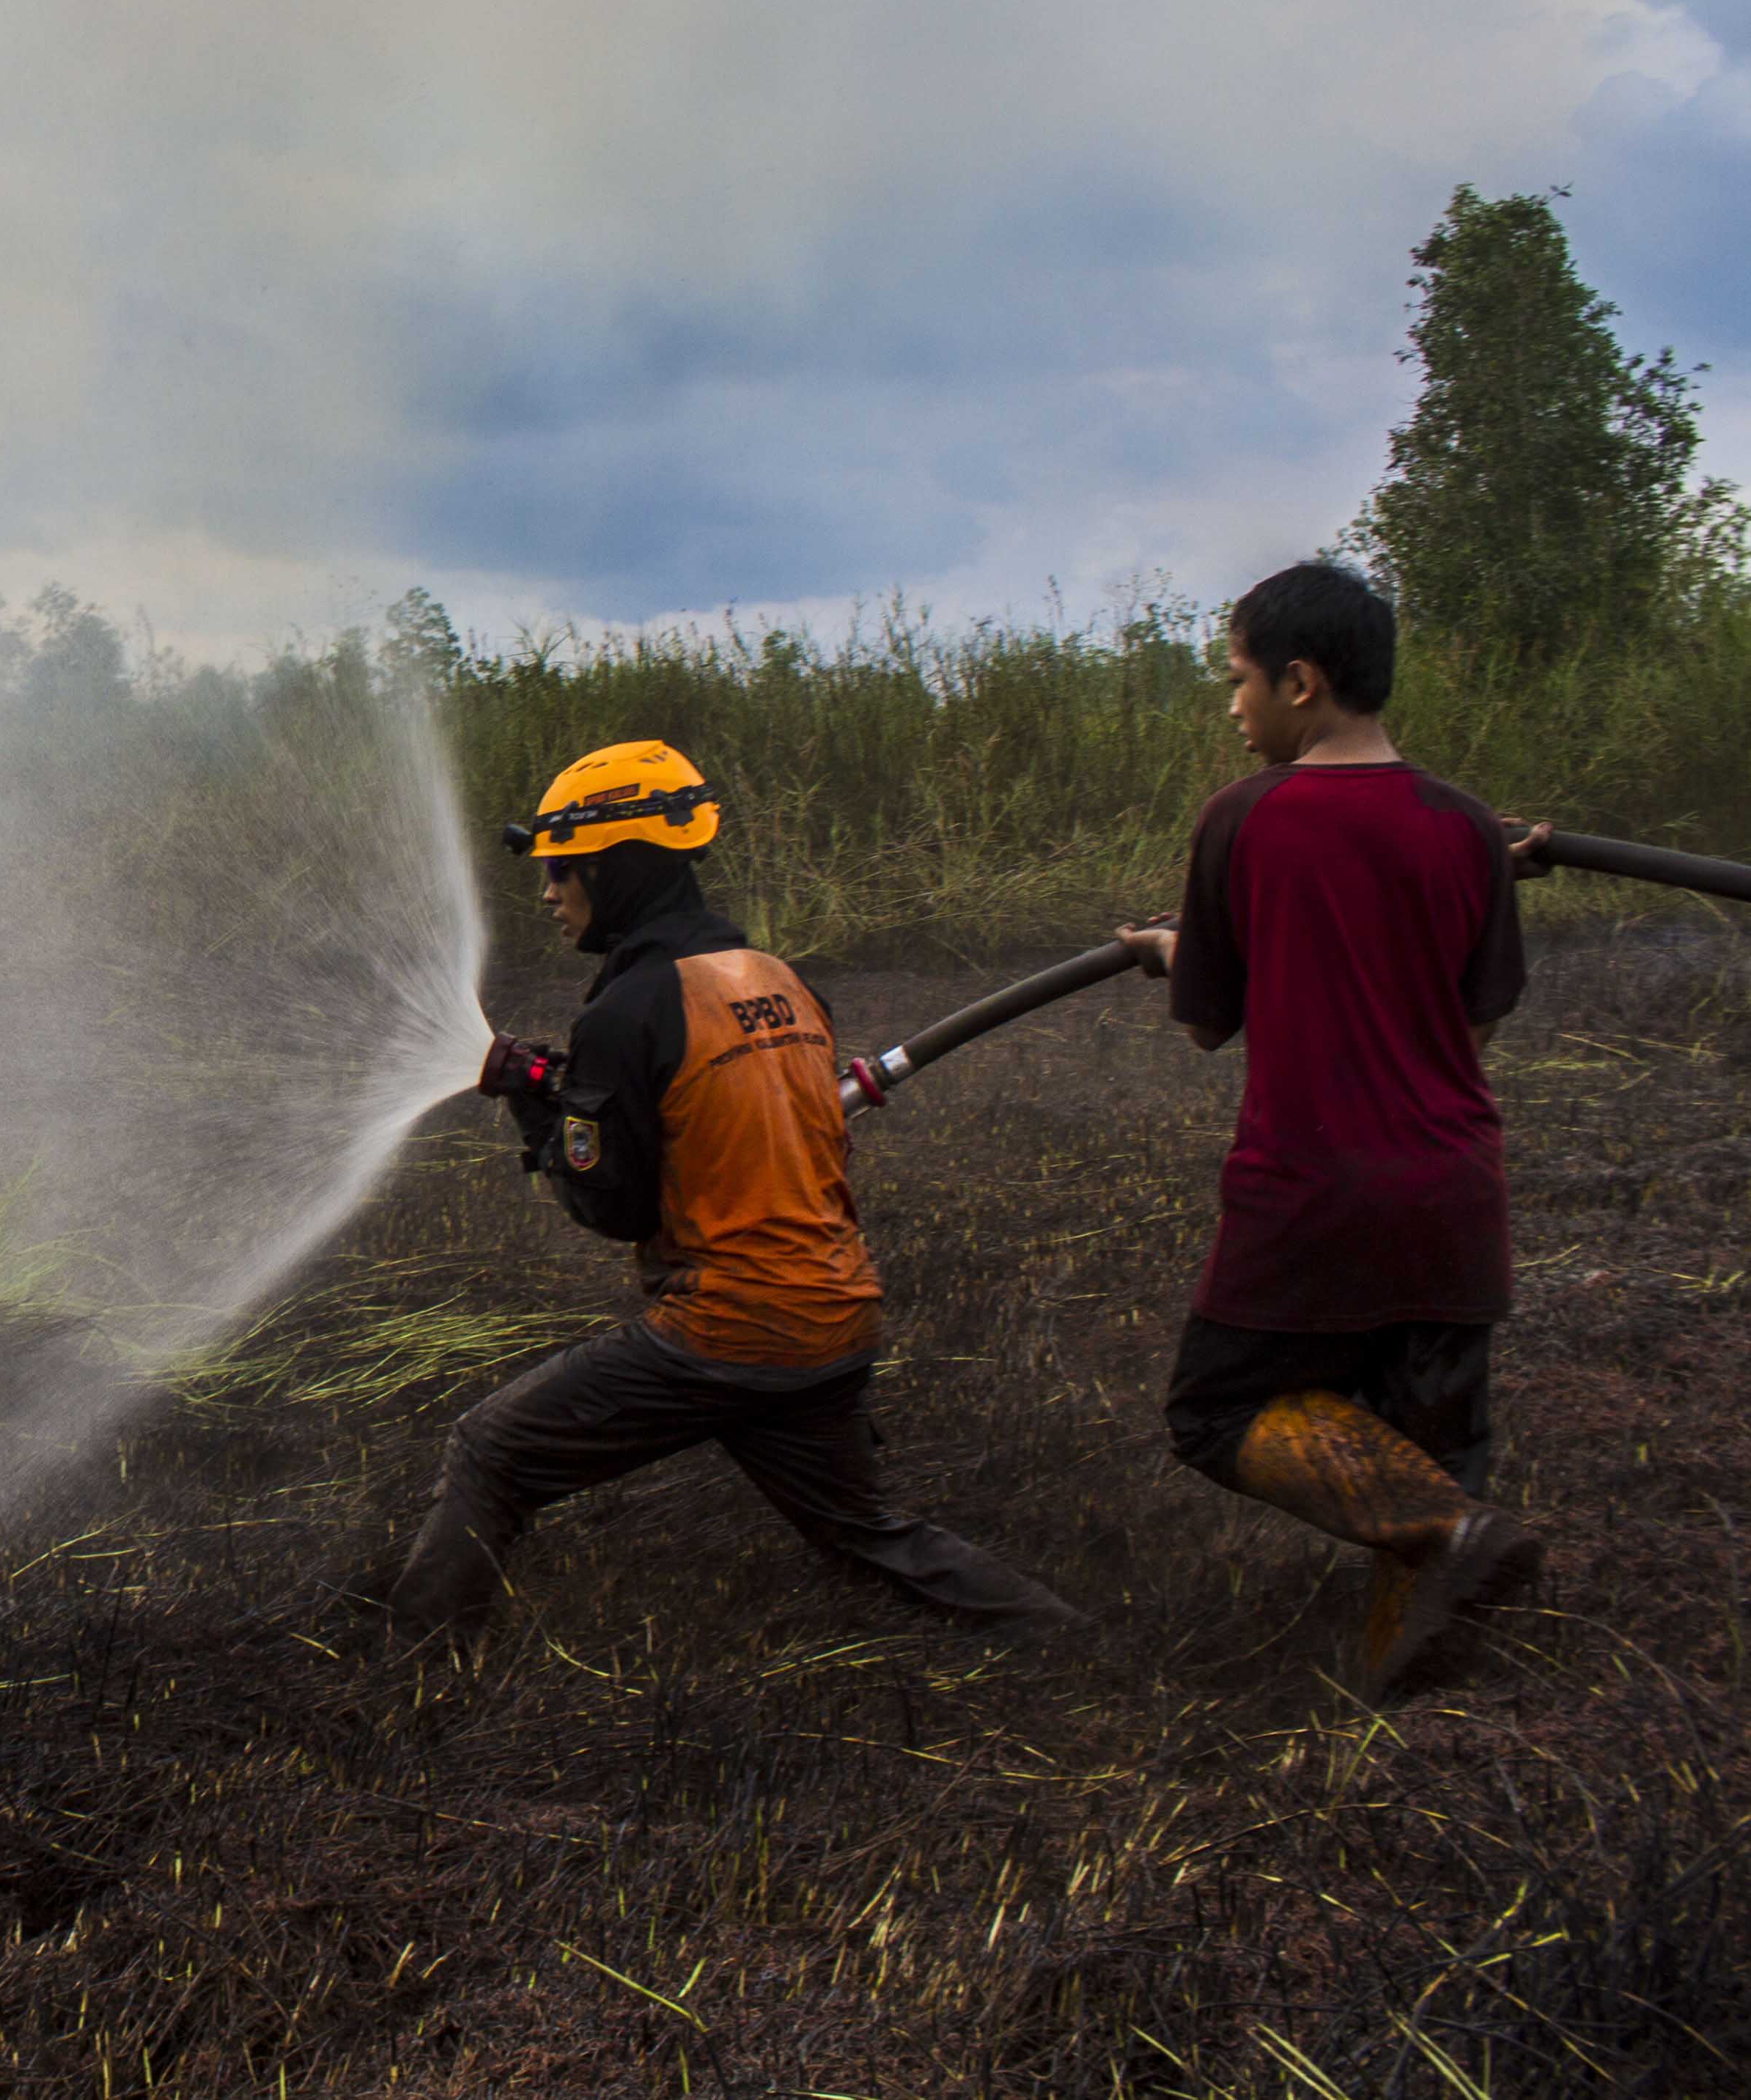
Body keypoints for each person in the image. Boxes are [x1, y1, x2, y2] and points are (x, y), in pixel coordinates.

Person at [385, 739, 1079, 1656]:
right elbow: (709, 1127)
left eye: (560, 869)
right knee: (863, 1533)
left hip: (727, 1331)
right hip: (830, 1313)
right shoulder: (776, 978)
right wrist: (566, 1090)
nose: (548, 892)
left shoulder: (624, 1011)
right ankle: (1069, 1636)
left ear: (613, 867)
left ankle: (410, 1674)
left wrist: (526, 1100)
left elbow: (614, 1211)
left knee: (490, 1450)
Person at [1116, 560, 1543, 1701]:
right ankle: (1418, 1708)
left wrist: (1173, 954)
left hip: (1311, 1195)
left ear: (1301, 682)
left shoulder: (1244, 820)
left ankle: (1452, 1534)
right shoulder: (1463, 829)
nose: (1232, 703)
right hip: (1456, 1188)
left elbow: (1208, 1021)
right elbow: (1476, 1011)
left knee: (1216, 1412)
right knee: (1432, 1437)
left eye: (1239, 678)